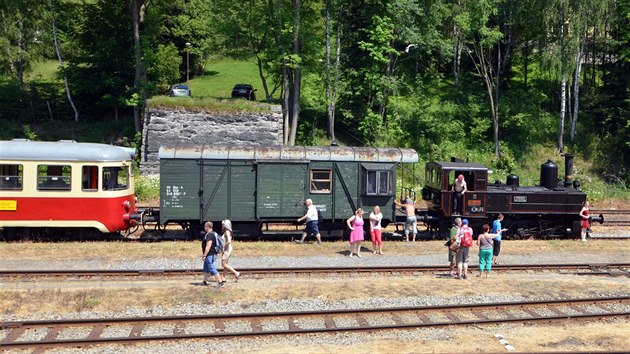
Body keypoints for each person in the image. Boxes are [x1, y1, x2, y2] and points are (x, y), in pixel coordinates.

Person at [201, 221, 226, 288]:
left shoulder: (210, 235)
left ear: (207, 227)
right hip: (212, 254)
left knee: (212, 268)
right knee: (206, 268)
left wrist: (204, 255)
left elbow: (208, 246)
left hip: (210, 255)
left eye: (205, 226)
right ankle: (204, 281)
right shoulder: (214, 233)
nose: (204, 227)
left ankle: (220, 282)